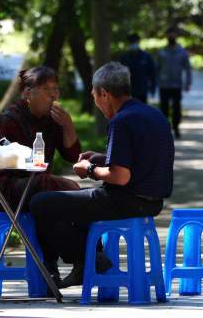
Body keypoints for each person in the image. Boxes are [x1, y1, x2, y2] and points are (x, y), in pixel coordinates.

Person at [30, 62, 174, 288]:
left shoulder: (121, 121)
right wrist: (99, 157)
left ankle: (88, 260)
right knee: (73, 207)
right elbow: (139, 159)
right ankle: (86, 261)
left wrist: (88, 169)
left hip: (124, 200)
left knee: (41, 203)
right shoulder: (153, 115)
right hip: (153, 202)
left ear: (104, 94)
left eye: (95, 96)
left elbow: (120, 177)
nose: (96, 103)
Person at [0, 66, 81, 211]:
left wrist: (68, 126)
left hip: (36, 185)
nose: (53, 95)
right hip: (7, 189)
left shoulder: (51, 119)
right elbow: (12, 165)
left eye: (56, 89)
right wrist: (57, 183)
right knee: (68, 190)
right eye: (46, 89)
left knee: (74, 195)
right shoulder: (10, 118)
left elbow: (73, 156)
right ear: (28, 93)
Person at [158, 27, 192, 139]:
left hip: (177, 84)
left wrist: (188, 83)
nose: (171, 36)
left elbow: (187, 68)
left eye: (173, 34)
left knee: (177, 107)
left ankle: (176, 127)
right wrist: (153, 82)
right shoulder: (161, 52)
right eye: (169, 34)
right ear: (166, 36)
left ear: (176, 36)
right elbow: (156, 68)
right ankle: (164, 129)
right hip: (164, 85)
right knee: (164, 108)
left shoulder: (182, 52)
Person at [119, 33, 157, 104]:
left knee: (142, 111)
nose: (133, 44)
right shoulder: (124, 58)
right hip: (128, 92)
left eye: (135, 42)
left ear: (138, 42)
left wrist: (153, 89)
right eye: (131, 42)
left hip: (142, 90)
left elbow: (152, 73)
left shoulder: (146, 57)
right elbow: (119, 75)